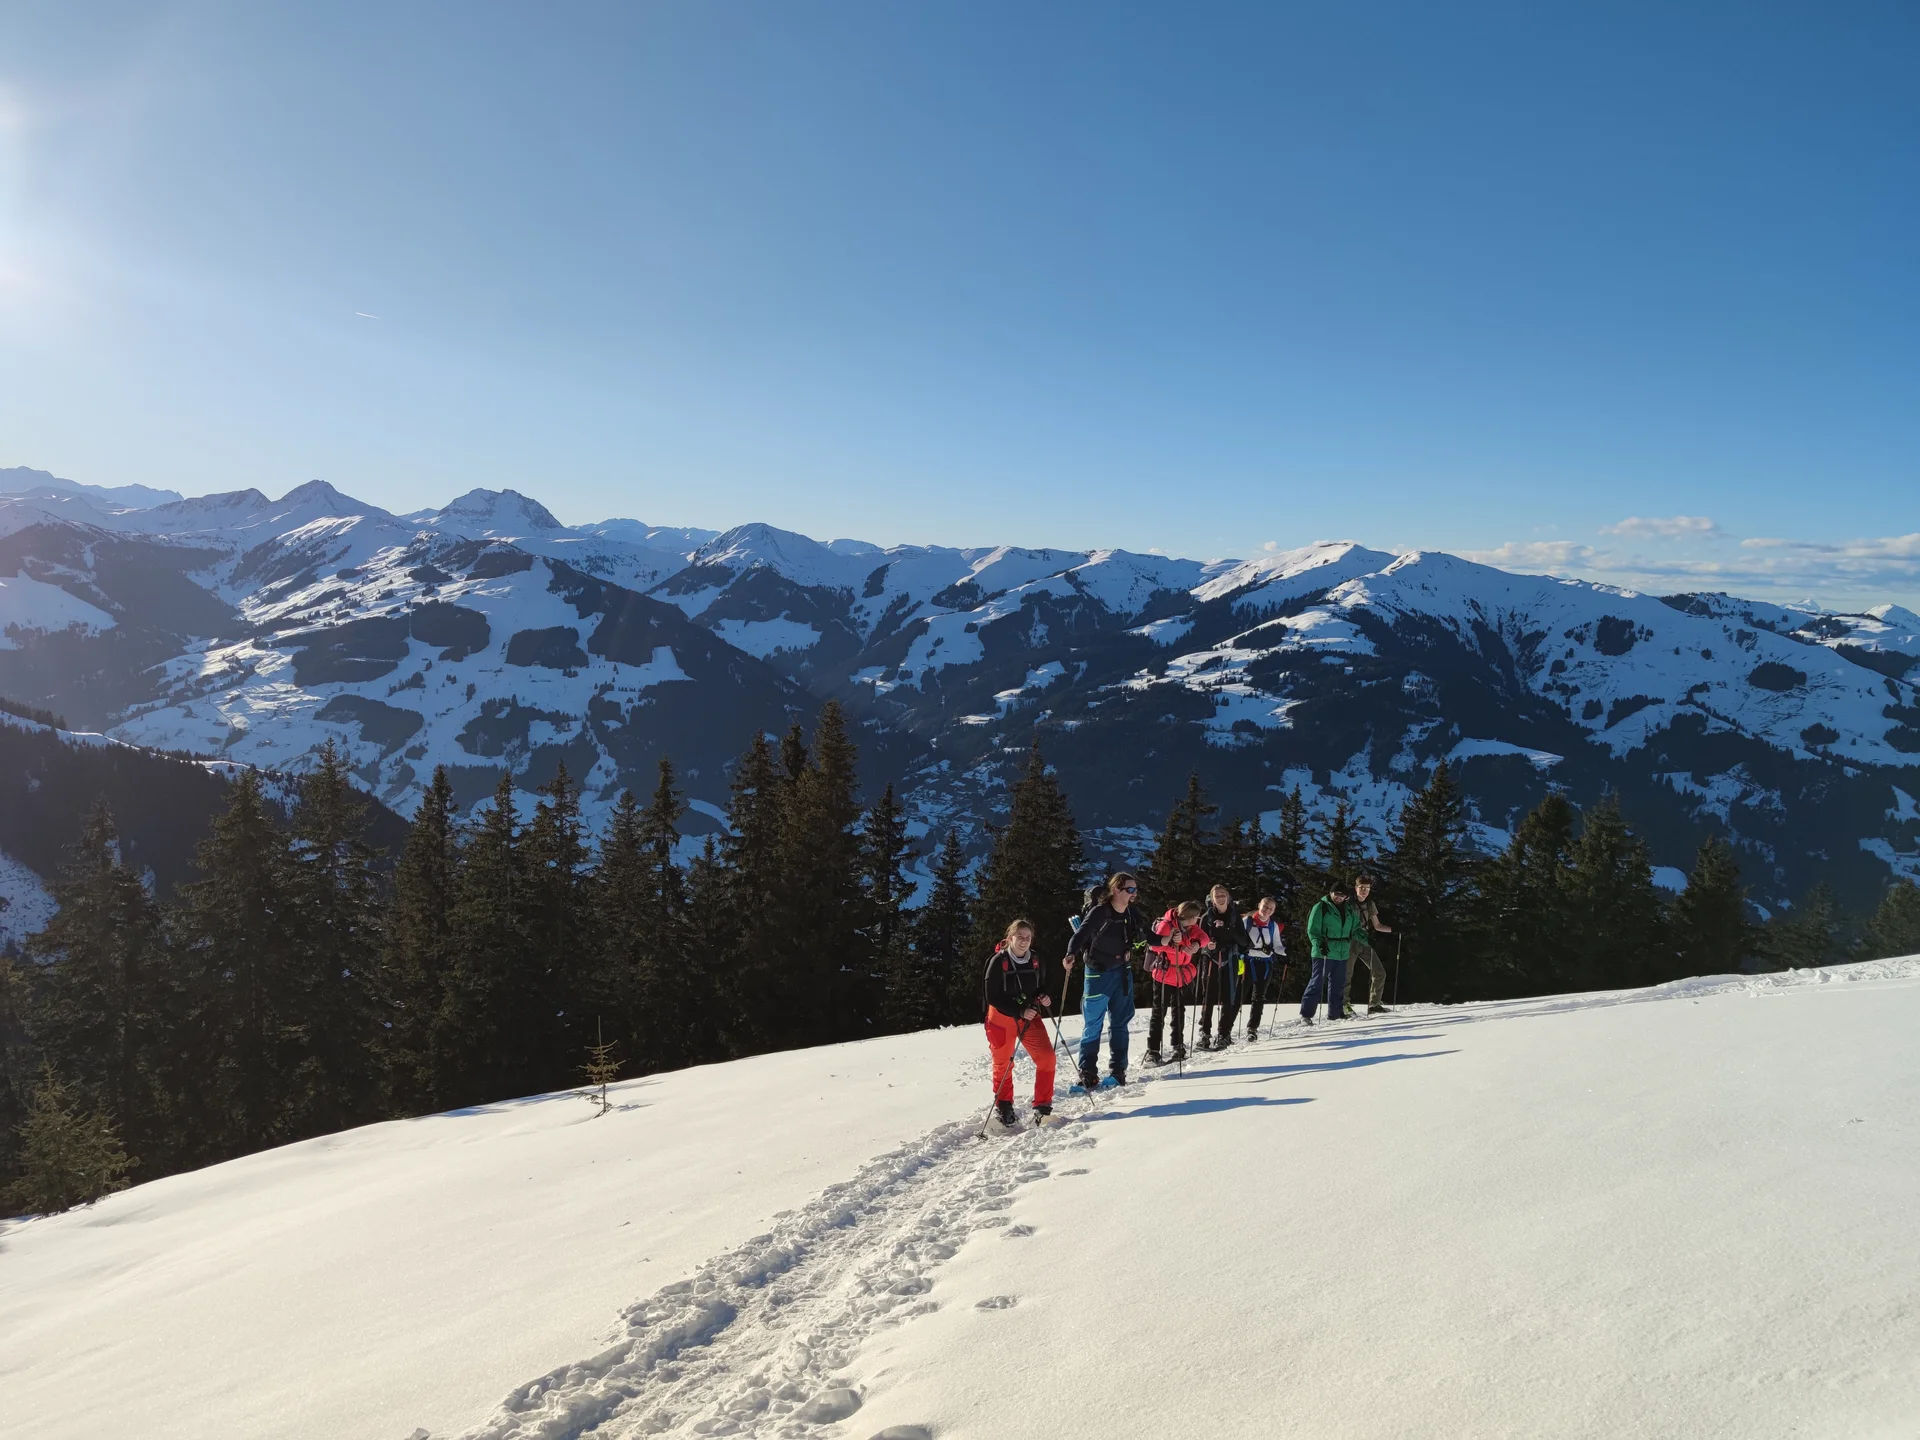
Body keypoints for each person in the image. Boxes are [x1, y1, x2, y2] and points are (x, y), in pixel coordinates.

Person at [1065, 872, 1147, 1088]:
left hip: (1122, 972)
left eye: (1135, 889)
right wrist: (1070, 954)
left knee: (1119, 1023)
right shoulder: (1100, 912)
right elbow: (1080, 935)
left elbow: (1148, 935)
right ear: (1116, 890)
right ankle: (1088, 1072)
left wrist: (1170, 938)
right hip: (1097, 973)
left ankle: (1118, 1071)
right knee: (1093, 1024)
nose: (1134, 893)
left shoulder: (1131, 912)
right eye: (1130, 889)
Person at [982, 919, 1056, 1128]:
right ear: (1010, 938)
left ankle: (1043, 1106)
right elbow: (992, 996)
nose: (1024, 941)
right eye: (1020, 937)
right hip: (1001, 1018)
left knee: (1047, 1058)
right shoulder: (999, 961)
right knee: (1003, 1063)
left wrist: (1043, 996)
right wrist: (1020, 1010)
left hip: (1028, 1016)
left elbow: (1042, 984)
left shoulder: (1035, 959)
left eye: (1028, 938)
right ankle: (1004, 1106)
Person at [1145, 899, 1209, 1064]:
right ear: (1189, 917)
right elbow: (1155, 946)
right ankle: (1153, 1050)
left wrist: (1196, 944)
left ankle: (1177, 1046)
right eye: (1196, 917)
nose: (1198, 920)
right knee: (1159, 1012)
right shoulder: (1167, 925)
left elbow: (1204, 937)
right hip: (1165, 974)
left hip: (1180, 974)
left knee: (1178, 1011)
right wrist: (1175, 943)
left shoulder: (1189, 927)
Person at [1300, 879, 1362, 1025]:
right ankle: (1306, 1014)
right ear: (1331, 893)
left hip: (1342, 952)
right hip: (1324, 951)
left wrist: (1365, 938)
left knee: (1338, 983)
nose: (1339, 897)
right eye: (1336, 894)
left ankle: (1335, 1013)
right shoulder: (1321, 907)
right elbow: (1313, 930)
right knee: (1317, 982)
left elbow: (1356, 928)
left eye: (1342, 895)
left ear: (1346, 897)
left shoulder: (1349, 910)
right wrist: (1319, 944)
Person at [1195, 883, 1245, 1049]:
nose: (1221, 898)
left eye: (1223, 894)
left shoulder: (1235, 917)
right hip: (1210, 959)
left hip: (1230, 957)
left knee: (1228, 997)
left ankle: (1224, 1034)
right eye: (1218, 896)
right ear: (1213, 899)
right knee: (1208, 997)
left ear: (1228, 897)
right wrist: (1206, 945)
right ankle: (1205, 1034)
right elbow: (1197, 941)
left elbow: (1244, 942)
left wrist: (1229, 930)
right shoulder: (1205, 918)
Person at [1344, 872, 1394, 1015]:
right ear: (1356, 888)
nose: (1364, 891)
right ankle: (1344, 1005)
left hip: (1363, 941)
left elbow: (1377, 925)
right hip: (1349, 941)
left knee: (1379, 972)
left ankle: (1374, 1004)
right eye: (1361, 887)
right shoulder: (1348, 903)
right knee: (1347, 974)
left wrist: (1393, 930)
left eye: (1367, 888)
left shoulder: (1370, 904)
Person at [1239, 896, 1285, 1038]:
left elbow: (1277, 944)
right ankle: (1226, 1029)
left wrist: (1284, 952)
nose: (1267, 910)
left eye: (1271, 908)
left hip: (1265, 963)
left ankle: (1252, 1028)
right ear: (1259, 905)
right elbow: (1238, 941)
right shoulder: (1247, 921)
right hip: (1247, 962)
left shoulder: (1273, 926)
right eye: (1265, 906)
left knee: (1259, 996)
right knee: (1238, 994)